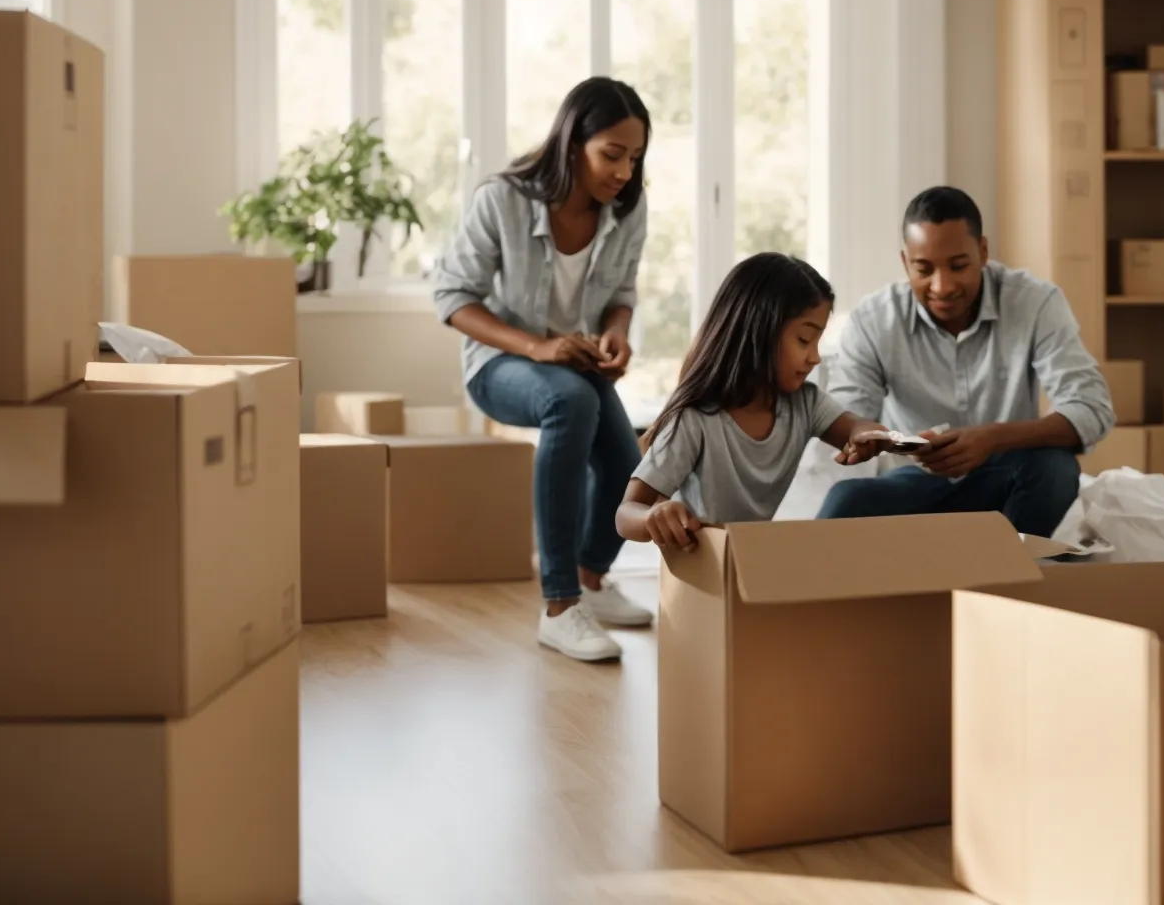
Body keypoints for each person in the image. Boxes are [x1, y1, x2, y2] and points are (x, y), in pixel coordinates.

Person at [434, 76, 654, 663]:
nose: (624, 172)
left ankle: (589, 580)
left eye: (634, 158)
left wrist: (616, 333)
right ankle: (559, 607)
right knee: (571, 401)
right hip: (500, 366)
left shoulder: (628, 208)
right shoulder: (501, 199)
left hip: (577, 369)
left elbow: (622, 294)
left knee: (628, 464)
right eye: (612, 154)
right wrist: (537, 348)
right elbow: (452, 297)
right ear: (572, 143)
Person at [816, 186, 1114, 537]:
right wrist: (869, 436)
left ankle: (1006, 568)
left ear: (983, 252)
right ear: (905, 262)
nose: (942, 286)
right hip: (912, 482)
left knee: (1056, 469)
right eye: (924, 269)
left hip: (1005, 479)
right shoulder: (873, 318)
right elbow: (847, 415)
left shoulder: (1035, 302)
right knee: (847, 499)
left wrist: (992, 438)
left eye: (958, 266)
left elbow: (1091, 409)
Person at [615, 253, 916, 551]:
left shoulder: (806, 404)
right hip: (700, 568)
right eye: (804, 339)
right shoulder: (694, 420)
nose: (815, 357)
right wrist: (653, 517)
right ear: (759, 332)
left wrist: (879, 436)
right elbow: (626, 514)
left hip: (752, 561)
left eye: (817, 341)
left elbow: (855, 428)